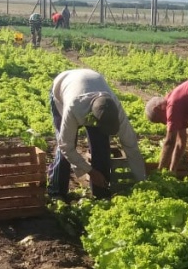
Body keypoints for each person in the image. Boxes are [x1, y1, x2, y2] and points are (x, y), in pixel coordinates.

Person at [48, 68, 146, 201]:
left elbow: (131, 146)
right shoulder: (73, 108)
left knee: (101, 145)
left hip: (90, 83)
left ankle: (101, 193)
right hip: (63, 88)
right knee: (65, 145)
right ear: (93, 119)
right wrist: (90, 171)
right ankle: (57, 191)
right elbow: (67, 146)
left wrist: (142, 182)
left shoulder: (114, 109)